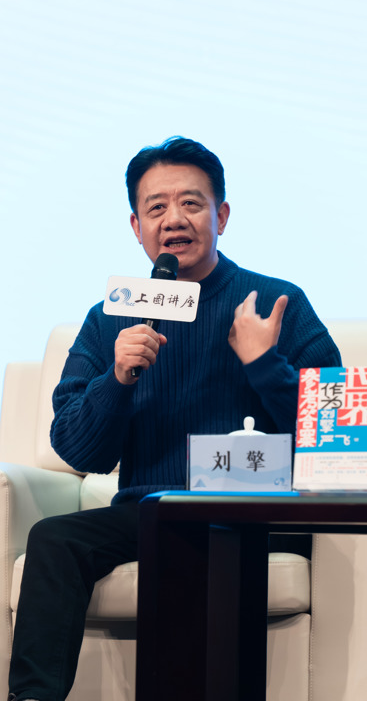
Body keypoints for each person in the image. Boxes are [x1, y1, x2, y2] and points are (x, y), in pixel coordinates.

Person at [8, 136, 341, 701]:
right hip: (153, 511)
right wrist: (117, 380)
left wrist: (264, 364)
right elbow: (78, 449)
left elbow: (335, 434)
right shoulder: (110, 318)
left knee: (207, 548)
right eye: (156, 207)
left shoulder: (276, 301)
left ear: (222, 216)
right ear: (136, 226)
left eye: (191, 203)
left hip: (254, 510)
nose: (174, 219)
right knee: (55, 538)